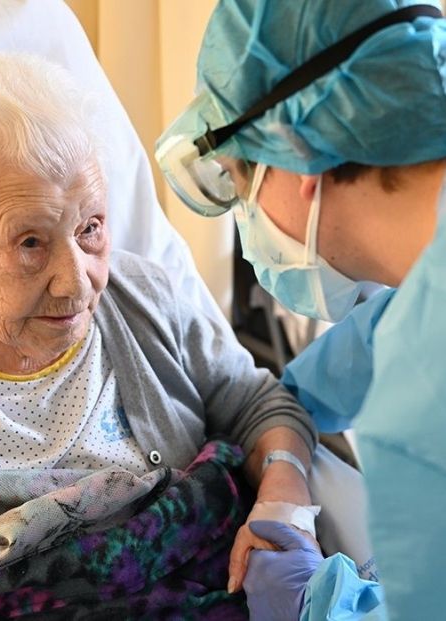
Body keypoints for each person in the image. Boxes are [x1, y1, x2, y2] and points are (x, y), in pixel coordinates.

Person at [0, 53, 319, 620]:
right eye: (30, 243)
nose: (79, 281)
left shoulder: (148, 297)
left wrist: (285, 501)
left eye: (91, 229)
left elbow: (260, 404)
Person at [155, 0, 446, 619]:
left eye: (240, 184)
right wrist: (283, 460)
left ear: (297, 156)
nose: (248, 221)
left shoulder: (420, 408)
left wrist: (315, 605)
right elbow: (300, 393)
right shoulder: (409, 312)